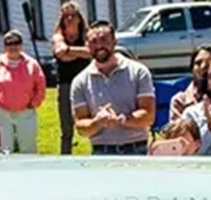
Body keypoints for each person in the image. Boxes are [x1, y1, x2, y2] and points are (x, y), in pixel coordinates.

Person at [67, 23, 156, 155]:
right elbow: (81, 127)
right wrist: (98, 122)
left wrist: (121, 120)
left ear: (114, 42)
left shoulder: (138, 72)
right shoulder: (80, 82)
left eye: (104, 40)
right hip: (101, 151)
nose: (99, 46)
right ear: (87, 45)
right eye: (93, 42)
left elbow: (148, 116)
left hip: (137, 149)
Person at [0, 29, 46, 153]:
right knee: (4, 148)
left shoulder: (32, 64)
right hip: (3, 113)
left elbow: (41, 85)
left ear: (21, 45)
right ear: (4, 46)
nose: (13, 47)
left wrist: (34, 103)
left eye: (16, 43)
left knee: (29, 148)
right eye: (9, 44)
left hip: (26, 112)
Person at [49, 1, 90, 155]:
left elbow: (90, 52)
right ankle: (65, 157)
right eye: (66, 16)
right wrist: (78, 52)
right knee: (66, 129)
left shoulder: (86, 34)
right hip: (65, 85)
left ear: (80, 18)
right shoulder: (58, 36)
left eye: (73, 15)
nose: (70, 19)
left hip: (86, 84)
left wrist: (69, 50)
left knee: (93, 124)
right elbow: (60, 53)